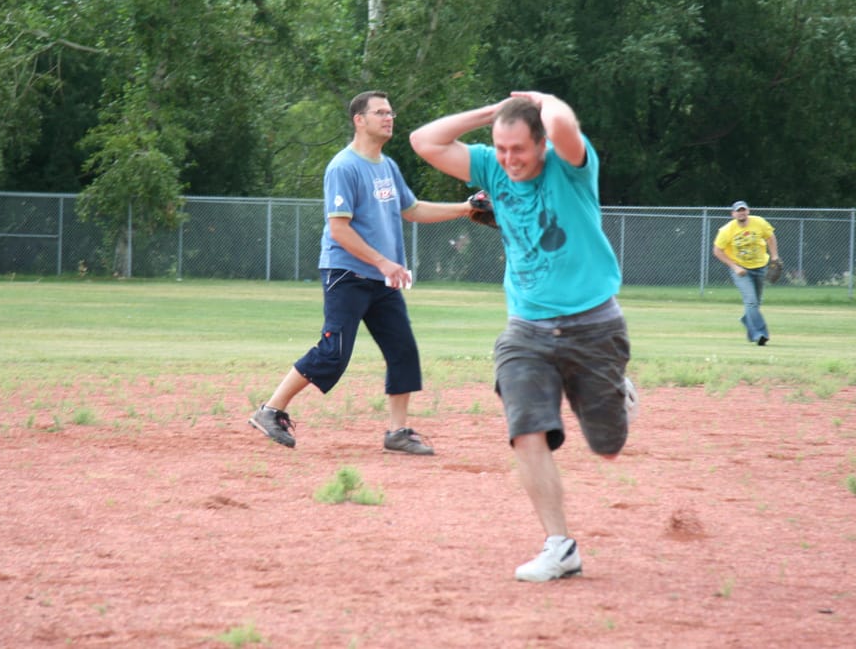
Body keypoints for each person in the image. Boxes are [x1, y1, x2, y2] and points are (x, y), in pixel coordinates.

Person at [409, 91, 634, 582]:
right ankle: (560, 546)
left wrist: (545, 100)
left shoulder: (570, 167)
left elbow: (564, 127)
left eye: (519, 149)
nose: (509, 159)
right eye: (501, 148)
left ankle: (619, 391)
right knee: (526, 428)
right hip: (526, 328)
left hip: (593, 324)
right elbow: (424, 141)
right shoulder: (491, 168)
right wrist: (493, 114)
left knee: (608, 447)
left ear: (541, 144)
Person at [248, 90, 475, 454]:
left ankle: (397, 432)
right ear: (359, 120)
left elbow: (412, 210)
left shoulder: (387, 166)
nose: (389, 118)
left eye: (390, 112)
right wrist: (383, 261)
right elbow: (339, 229)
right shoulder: (344, 167)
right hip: (347, 273)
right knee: (333, 352)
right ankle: (270, 410)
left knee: (402, 351)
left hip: (381, 280)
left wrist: (465, 208)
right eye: (380, 112)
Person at [712, 201, 780, 346]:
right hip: (741, 270)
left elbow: (770, 236)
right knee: (751, 301)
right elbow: (717, 251)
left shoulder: (759, 222)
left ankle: (747, 320)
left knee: (756, 303)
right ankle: (760, 334)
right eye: (738, 211)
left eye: (743, 210)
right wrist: (735, 267)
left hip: (760, 267)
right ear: (733, 214)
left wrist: (774, 256)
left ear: (748, 211)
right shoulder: (727, 230)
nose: (741, 213)